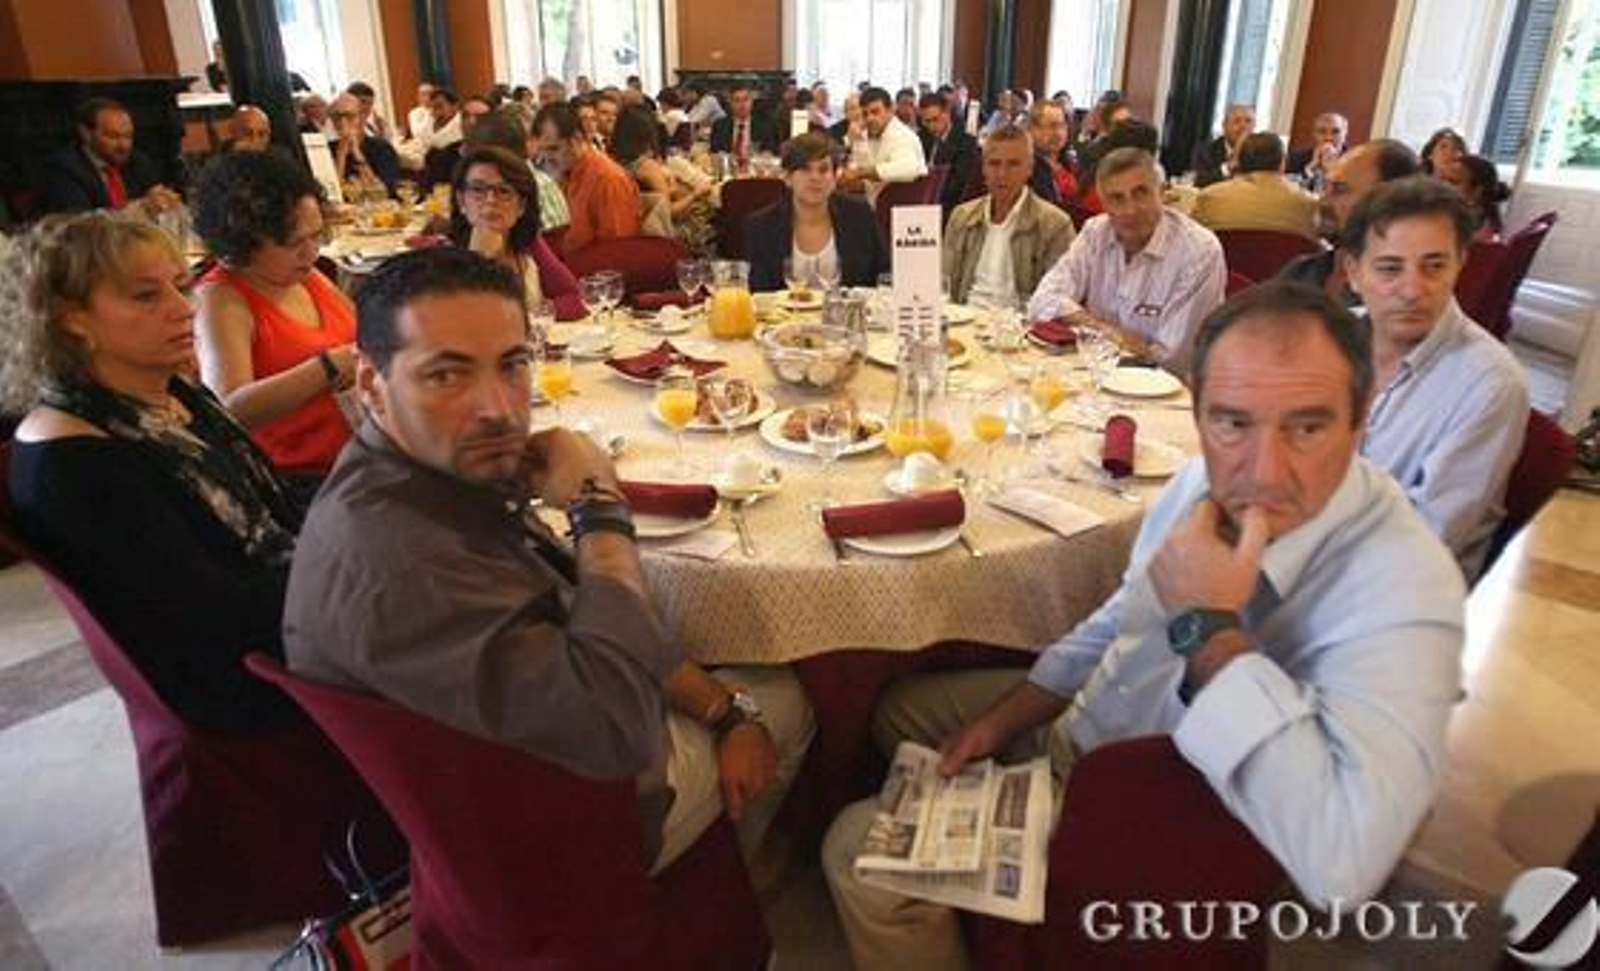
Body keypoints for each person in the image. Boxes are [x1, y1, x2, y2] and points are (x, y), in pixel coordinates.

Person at [821, 280, 1468, 970]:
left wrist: (1208, 626)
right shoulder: (1197, 483)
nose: (1263, 468)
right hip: (1086, 728)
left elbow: (1343, 865)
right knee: (899, 715)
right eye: (1232, 422)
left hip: (1155, 820)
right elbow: (1119, 620)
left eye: (1306, 427)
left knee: (852, 855)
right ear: (1197, 411)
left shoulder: (1406, 589)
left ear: (1360, 420)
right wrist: (1006, 720)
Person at [282, 246, 814, 870]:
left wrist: (722, 712)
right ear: (371, 384)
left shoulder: (411, 473)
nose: (498, 408)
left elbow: (566, 598)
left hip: (516, 753)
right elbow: (617, 727)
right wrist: (599, 508)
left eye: (511, 365)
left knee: (714, 668)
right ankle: (727, 876)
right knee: (785, 693)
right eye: (446, 375)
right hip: (557, 826)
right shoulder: (398, 562)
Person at [2, 212, 303, 734]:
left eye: (180, 287)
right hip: (244, 680)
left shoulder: (168, 392)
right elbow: (207, 614)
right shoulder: (70, 456)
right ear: (70, 317)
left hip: (281, 614)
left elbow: (269, 506)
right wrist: (357, 568)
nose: (183, 309)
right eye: (147, 296)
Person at [1343, 176, 1529, 579]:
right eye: (1390, 268)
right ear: (1354, 273)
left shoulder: (1490, 384)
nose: (1412, 290)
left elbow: (1424, 541)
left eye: (1434, 266)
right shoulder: (1330, 340)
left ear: (1461, 263)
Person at [191, 152, 357, 479]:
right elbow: (228, 408)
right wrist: (327, 366)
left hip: (355, 456)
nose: (311, 252)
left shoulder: (304, 274)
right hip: (301, 477)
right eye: (293, 242)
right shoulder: (220, 299)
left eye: (316, 236)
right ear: (244, 240)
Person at [1028, 147, 1226, 372]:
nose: (1130, 209)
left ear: (1162, 193)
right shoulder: (1096, 232)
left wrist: (1081, 327)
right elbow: (1041, 300)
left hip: (1166, 394)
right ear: (1102, 203)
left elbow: (1169, 358)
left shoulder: (1199, 251)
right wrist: (1105, 330)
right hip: (1099, 374)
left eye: (1141, 193)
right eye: (1116, 199)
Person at [943, 125, 1076, 309]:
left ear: (1029, 168)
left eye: (1013, 164)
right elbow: (944, 283)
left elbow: (1058, 300)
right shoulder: (962, 217)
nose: (1002, 174)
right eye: (994, 163)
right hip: (963, 320)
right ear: (983, 168)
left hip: (1016, 327)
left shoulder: (1055, 225)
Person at [1276, 139, 1421, 306]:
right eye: (1326, 187)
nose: (1323, 202)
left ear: (1390, 202)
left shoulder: (1404, 298)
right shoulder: (1300, 273)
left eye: (1339, 190)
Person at [449, 144, 584, 319]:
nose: (490, 200)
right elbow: (462, 322)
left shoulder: (527, 243)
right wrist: (480, 260)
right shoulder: (442, 256)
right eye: (478, 189)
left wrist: (533, 316)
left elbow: (575, 298)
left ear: (521, 206)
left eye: (503, 191)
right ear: (461, 201)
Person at [745, 132, 890, 292]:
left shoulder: (859, 215)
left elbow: (885, 277)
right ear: (787, 178)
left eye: (823, 170)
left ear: (835, 178)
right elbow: (759, 295)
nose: (815, 178)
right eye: (805, 169)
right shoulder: (762, 226)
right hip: (785, 316)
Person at [40, 98, 182, 216]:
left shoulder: (136, 160)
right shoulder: (63, 169)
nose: (123, 146)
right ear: (86, 134)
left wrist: (165, 200)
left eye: (128, 136)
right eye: (113, 136)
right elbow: (84, 224)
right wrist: (140, 208)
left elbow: (158, 194)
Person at [534, 102, 642, 254]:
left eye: (554, 149)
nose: (546, 158)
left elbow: (618, 252)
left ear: (577, 140)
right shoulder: (566, 172)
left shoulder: (609, 179)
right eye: (542, 150)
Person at [610, 107, 716, 254]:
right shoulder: (647, 166)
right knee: (711, 215)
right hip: (664, 233)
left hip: (634, 228)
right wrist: (696, 194)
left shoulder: (614, 161)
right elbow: (668, 213)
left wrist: (670, 188)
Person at [1191, 132, 1320, 240]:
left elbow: (1195, 242)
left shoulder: (1209, 197)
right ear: (1283, 163)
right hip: (1284, 269)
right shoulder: (1310, 205)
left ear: (1239, 162)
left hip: (1226, 269)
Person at [839, 87, 928, 204]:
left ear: (890, 109)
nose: (870, 118)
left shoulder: (902, 135)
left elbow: (907, 170)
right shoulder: (868, 135)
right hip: (875, 203)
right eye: (865, 114)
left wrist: (862, 172)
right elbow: (863, 179)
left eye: (875, 112)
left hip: (901, 210)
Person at [917, 92, 979, 219]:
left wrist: (931, 202)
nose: (931, 126)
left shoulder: (965, 141)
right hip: (923, 199)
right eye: (926, 121)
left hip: (950, 205)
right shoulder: (922, 137)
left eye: (935, 119)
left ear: (947, 113)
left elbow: (959, 183)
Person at [329, 93, 401, 197]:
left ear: (361, 117)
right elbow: (331, 196)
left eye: (349, 116)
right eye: (337, 117)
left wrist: (357, 153)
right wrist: (341, 155)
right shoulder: (325, 150)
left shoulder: (381, 147)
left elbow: (385, 193)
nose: (342, 122)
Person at [1026, 99, 1078, 206]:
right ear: (1032, 129)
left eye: (1062, 125)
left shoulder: (1070, 162)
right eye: (1052, 126)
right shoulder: (1027, 167)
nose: (1058, 133)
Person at [1192, 103, 1257, 187]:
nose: (1243, 126)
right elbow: (1199, 181)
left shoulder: (1260, 153)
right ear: (1224, 126)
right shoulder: (1206, 151)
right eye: (1237, 121)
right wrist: (1229, 166)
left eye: (1248, 121)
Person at [709, 85, 779, 158]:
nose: (742, 105)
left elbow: (772, 150)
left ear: (751, 102)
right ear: (731, 104)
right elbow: (714, 152)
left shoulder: (766, 125)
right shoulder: (719, 126)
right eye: (737, 100)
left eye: (746, 100)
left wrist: (766, 154)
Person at [1287, 111, 1348, 193]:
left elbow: (1352, 195)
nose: (1328, 138)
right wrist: (1310, 170)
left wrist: (1332, 172)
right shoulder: (1296, 157)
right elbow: (1286, 189)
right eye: (1322, 131)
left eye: (1335, 132)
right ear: (1314, 134)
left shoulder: (1354, 161)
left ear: (1345, 134)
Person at [1456, 154, 1510, 240]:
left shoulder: (1475, 225)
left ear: (1477, 190)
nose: (1445, 185)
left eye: (1455, 182)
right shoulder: (1483, 211)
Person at [421, 88, 465, 188]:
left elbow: (440, 144)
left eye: (439, 107)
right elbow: (423, 140)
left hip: (452, 174)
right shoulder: (431, 121)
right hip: (431, 172)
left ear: (455, 106)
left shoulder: (461, 124)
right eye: (431, 107)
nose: (434, 112)